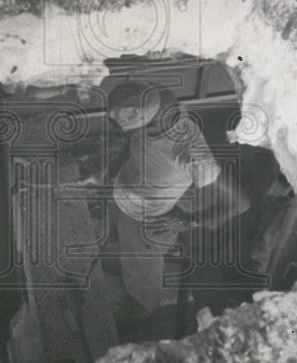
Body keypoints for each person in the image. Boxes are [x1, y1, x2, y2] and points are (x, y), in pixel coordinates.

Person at [78, 81, 251, 320]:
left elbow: (240, 203)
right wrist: (109, 170)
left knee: (143, 278)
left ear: (151, 120)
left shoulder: (190, 152)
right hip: (125, 196)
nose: (122, 133)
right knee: (126, 246)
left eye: (125, 128)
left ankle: (140, 313)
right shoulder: (153, 101)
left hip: (150, 220)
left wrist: (184, 222)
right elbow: (132, 144)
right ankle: (126, 263)